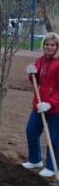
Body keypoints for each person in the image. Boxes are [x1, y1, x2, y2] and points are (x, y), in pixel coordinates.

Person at [22, 32, 59, 177]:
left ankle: (52, 167)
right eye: (46, 44)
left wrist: (50, 104)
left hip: (55, 108)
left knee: (54, 137)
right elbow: (36, 82)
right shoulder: (40, 61)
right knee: (31, 131)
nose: (49, 47)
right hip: (38, 104)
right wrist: (31, 74)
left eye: (52, 45)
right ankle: (35, 159)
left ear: (56, 47)